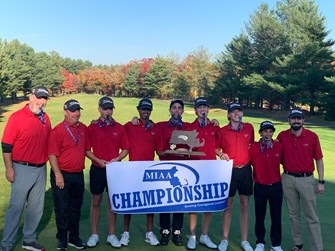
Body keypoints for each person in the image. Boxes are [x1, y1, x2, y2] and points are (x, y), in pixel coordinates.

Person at [1, 86, 51, 251]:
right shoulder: (17, 117)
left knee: (36, 207)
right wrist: (9, 168)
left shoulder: (46, 118)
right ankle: (7, 244)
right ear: (31, 97)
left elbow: (52, 140)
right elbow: (6, 145)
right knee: (16, 207)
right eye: (39, 98)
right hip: (21, 167)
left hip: (40, 168)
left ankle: (29, 239)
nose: (41, 102)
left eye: (44, 99)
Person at [277, 108, 324, 251]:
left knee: (312, 216)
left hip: (306, 180)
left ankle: (318, 248)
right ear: (289, 120)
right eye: (293, 118)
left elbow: (319, 160)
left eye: (298, 118)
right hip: (288, 178)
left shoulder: (312, 136)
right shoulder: (282, 136)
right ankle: (298, 245)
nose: (296, 121)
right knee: (293, 215)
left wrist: (321, 181)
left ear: (303, 120)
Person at [85, 96, 129, 248]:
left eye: (110, 108)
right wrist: (97, 160)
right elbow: (87, 150)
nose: (108, 111)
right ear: (99, 109)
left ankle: (111, 235)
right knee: (96, 201)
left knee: (112, 203)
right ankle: (94, 234)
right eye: (105, 108)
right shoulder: (92, 128)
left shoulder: (119, 128)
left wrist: (117, 158)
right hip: (98, 169)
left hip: (114, 170)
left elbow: (125, 149)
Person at [48, 99, 89, 250]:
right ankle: (62, 239)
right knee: (62, 209)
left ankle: (73, 237)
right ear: (65, 112)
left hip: (78, 174)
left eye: (78, 110)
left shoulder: (83, 128)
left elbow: (87, 148)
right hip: (62, 175)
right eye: (73, 111)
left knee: (75, 208)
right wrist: (58, 174)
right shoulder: (57, 131)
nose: (76, 113)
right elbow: (52, 154)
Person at [120, 98, 160, 246]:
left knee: (150, 203)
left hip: (149, 170)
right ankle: (125, 233)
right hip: (132, 170)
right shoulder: (130, 126)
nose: (145, 112)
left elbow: (160, 149)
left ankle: (149, 232)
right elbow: (115, 128)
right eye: (143, 109)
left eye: (148, 109)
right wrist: (93, 121)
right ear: (138, 109)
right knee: (129, 202)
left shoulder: (155, 127)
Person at [215, 102, 254, 251]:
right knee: (228, 205)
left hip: (245, 171)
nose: (237, 113)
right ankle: (225, 239)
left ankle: (244, 240)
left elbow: (251, 144)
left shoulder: (249, 128)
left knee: (245, 205)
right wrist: (220, 153)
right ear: (229, 115)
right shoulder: (223, 131)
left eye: (239, 111)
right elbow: (216, 147)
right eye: (234, 111)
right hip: (229, 171)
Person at [155, 98, 190, 246]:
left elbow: (192, 148)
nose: (176, 110)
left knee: (179, 200)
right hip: (166, 167)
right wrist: (174, 150)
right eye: (174, 108)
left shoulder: (188, 127)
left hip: (182, 168)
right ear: (170, 110)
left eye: (179, 108)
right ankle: (164, 230)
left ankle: (176, 231)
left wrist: (186, 151)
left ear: (182, 111)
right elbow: (159, 151)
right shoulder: (162, 126)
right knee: (166, 199)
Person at [186, 97, 219, 250]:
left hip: (210, 169)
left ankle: (204, 236)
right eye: (199, 107)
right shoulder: (189, 127)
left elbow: (221, 145)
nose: (202, 110)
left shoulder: (214, 127)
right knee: (193, 204)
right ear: (195, 110)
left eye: (205, 107)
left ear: (208, 109)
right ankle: (192, 236)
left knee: (208, 204)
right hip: (194, 169)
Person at [249, 121, 284, 251]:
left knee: (276, 216)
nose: (268, 134)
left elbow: (284, 162)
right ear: (260, 133)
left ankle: (276, 244)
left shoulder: (279, 147)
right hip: (260, 186)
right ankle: (260, 242)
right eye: (265, 131)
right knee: (260, 216)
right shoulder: (253, 147)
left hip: (275, 186)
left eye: (270, 131)